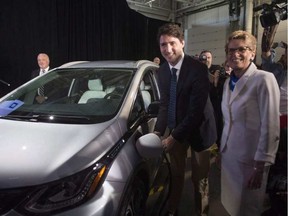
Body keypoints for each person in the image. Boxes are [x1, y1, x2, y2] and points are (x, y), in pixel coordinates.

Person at [154, 23, 216, 216]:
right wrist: (157, 131)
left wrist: (173, 137)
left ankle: (201, 212)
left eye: (172, 43)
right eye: (163, 45)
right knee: (176, 174)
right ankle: (173, 209)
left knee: (200, 180)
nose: (168, 49)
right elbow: (165, 104)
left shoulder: (198, 69)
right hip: (177, 129)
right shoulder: (162, 71)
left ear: (182, 42)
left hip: (199, 131)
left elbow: (195, 111)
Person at [220, 30, 280, 216]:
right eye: (230, 50)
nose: (234, 54)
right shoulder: (228, 82)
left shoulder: (263, 79)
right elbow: (228, 120)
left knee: (247, 209)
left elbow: (270, 126)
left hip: (251, 162)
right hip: (229, 158)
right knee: (230, 206)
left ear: (252, 53)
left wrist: (260, 165)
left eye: (241, 49)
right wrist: (221, 150)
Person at [261, 24, 287, 216]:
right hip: (274, 123)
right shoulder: (276, 69)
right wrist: (268, 33)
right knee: (272, 165)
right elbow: (266, 54)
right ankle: (274, 201)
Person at [199, 50, 227, 148]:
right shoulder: (196, 70)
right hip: (201, 107)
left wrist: (215, 81)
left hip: (215, 105)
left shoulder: (217, 69)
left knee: (217, 129)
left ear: (212, 59)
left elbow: (219, 88)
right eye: (204, 57)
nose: (206, 60)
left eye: (209, 58)